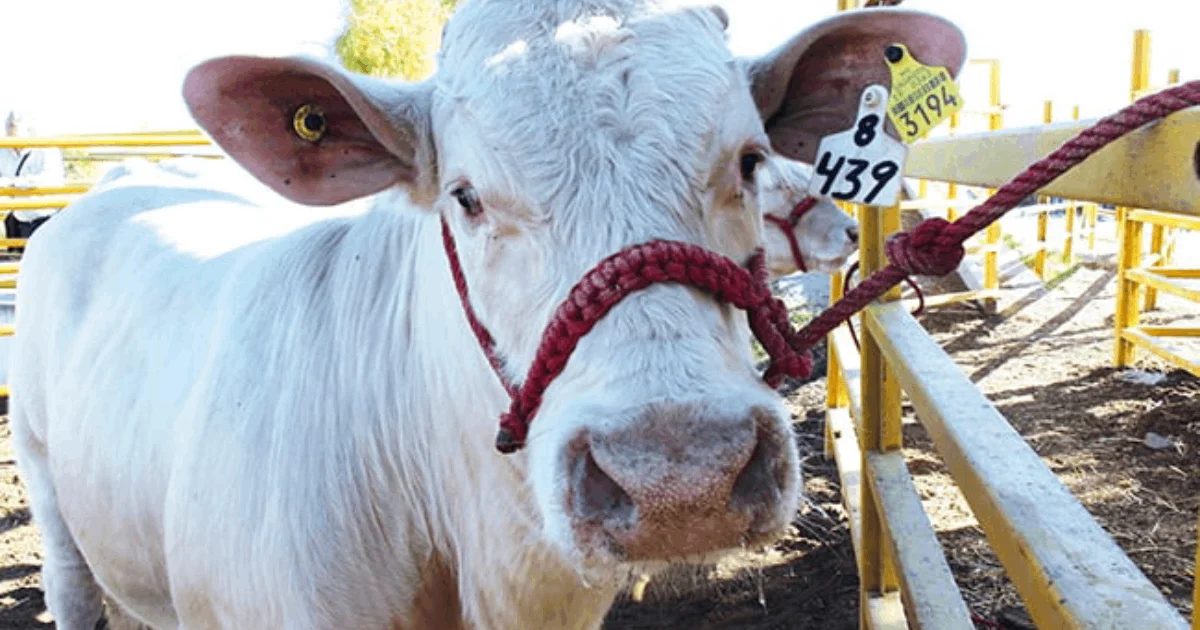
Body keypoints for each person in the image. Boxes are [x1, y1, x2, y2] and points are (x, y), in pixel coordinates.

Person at [1, 110, 66, 250]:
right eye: (8, 127)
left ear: (29, 130)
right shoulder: (3, 151)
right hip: (19, 220)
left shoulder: (46, 149)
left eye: (14, 127)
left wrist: (13, 183)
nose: (10, 130)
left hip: (45, 219)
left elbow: (52, 179)